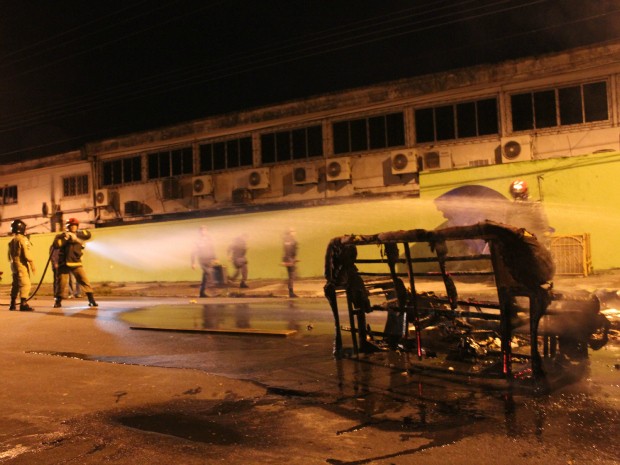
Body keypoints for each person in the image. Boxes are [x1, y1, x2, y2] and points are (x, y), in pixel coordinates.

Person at [51, 218, 98, 308]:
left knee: (85, 281)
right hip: (64, 263)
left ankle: (91, 300)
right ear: (68, 227)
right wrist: (66, 238)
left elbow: (88, 234)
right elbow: (56, 244)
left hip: (76, 262)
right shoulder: (61, 236)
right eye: (71, 226)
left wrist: (76, 236)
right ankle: (58, 301)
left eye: (75, 225)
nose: (73, 227)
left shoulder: (80, 235)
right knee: (61, 283)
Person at [506, 179, 553, 248]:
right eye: (515, 194)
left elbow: (542, 222)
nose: (517, 196)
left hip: (535, 239)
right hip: (517, 240)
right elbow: (508, 222)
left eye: (519, 194)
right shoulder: (511, 207)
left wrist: (544, 236)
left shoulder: (534, 205)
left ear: (525, 192)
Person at [7, 219, 36, 311]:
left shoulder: (12, 241)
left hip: (14, 265)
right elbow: (27, 255)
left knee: (15, 284)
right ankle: (23, 304)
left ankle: (12, 303)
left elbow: (9, 255)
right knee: (25, 284)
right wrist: (32, 265)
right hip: (21, 265)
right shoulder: (23, 239)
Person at [191, 225, 217, 297]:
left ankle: (202, 292)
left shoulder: (209, 239)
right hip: (202, 260)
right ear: (199, 232)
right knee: (209, 273)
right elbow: (193, 252)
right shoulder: (197, 241)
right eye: (202, 230)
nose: (204, 232)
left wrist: (215, 258)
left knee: (205, 276)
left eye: (205, 230)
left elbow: (212, 249)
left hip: (209, 259)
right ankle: (212, 290)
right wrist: (193, 263)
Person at [282, 228, 299, 298]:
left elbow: (286, 251)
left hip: (288, 259)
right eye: (293, 231)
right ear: (290, 232)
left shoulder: (286, 240)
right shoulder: (292, 240)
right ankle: (291, 292)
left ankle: (290, 291)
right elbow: (291, 251)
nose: (295, 232)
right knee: (291, 276)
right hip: (290, 259)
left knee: (291, 276)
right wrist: (291, 260)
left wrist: (285, 260)